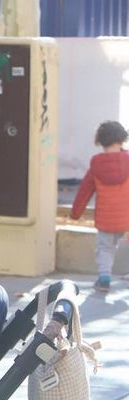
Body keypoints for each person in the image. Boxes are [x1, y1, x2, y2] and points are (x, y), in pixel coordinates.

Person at [69, 120, 129, 293]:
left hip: (106, 221)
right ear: (122, 139)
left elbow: (85, 190)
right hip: (127, 219)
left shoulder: (96, 163)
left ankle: (104, 279)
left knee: (105, 248)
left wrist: (75, 214)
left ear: (100, 141)